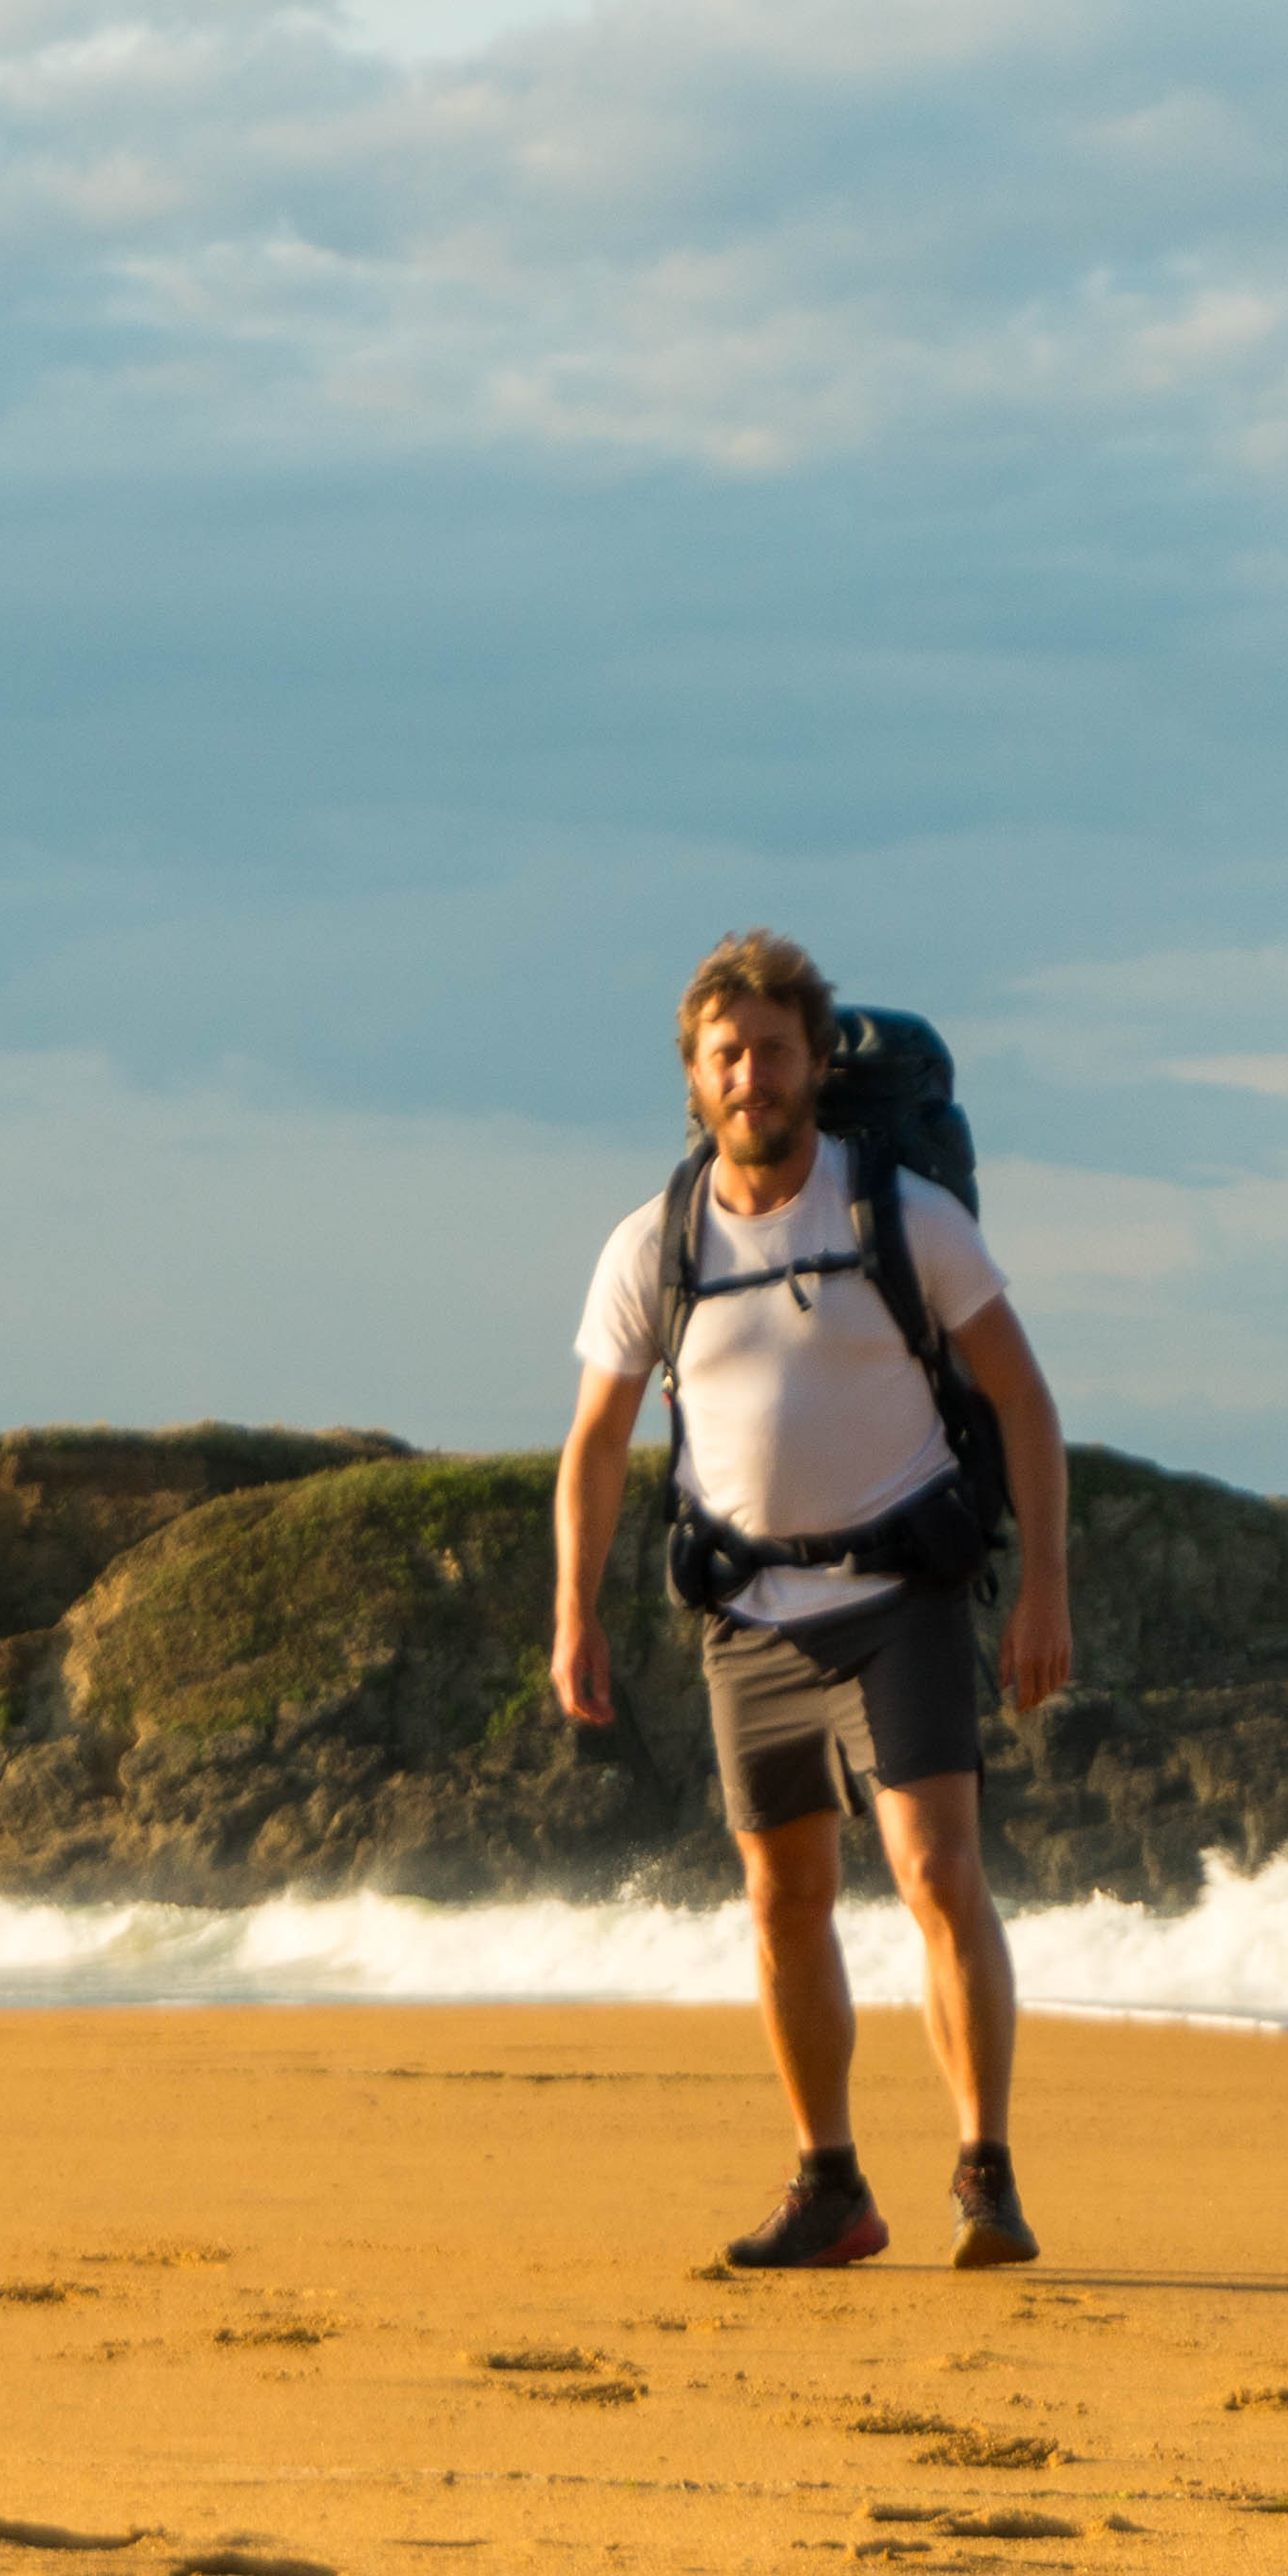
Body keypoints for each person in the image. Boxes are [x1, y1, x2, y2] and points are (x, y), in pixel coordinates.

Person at [551, 932, 1073, 2268]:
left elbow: (1023, 1400)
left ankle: (986, 2173)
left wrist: (1045, 1594)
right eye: (726, 1054)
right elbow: (598, 1443)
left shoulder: (903, 1216)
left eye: (773, 1050)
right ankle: (831, 2183)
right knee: (784, 1900)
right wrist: (574, 1612)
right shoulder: (653, 1245)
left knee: (937, 1874)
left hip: (901, 1594)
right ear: (694, 1076)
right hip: (748, 1616)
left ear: (815, 1062)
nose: (751, 1076)